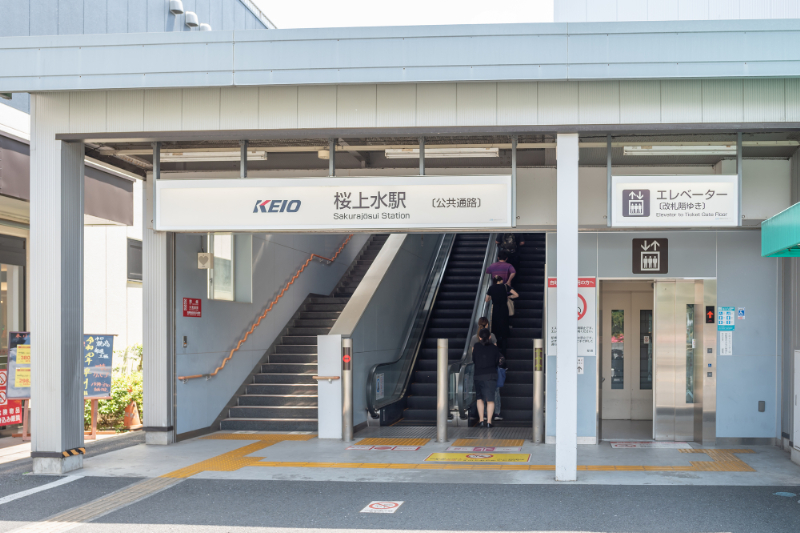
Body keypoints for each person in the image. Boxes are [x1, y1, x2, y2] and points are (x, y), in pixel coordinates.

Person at [469, 317, 504, 422]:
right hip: (491, 375)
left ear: (480, 338)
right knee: (491, 399)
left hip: (478, 375)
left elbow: (474, 359)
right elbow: (496, 361)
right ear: (489, 337)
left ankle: (481, 420)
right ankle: (489, 421)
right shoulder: (494, 348)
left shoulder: (476, 346)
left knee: (479, 398)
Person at [486, 275, 518, 355]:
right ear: (501, 280)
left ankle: (496, 350)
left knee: (495, 329)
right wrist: (508, 296)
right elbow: (516, 295)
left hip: (496, 310)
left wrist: (492, 297)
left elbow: (487, 300)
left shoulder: (491, 288)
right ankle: (504, 352)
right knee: (504, 329)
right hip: (504, 310)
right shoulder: (505, 286)